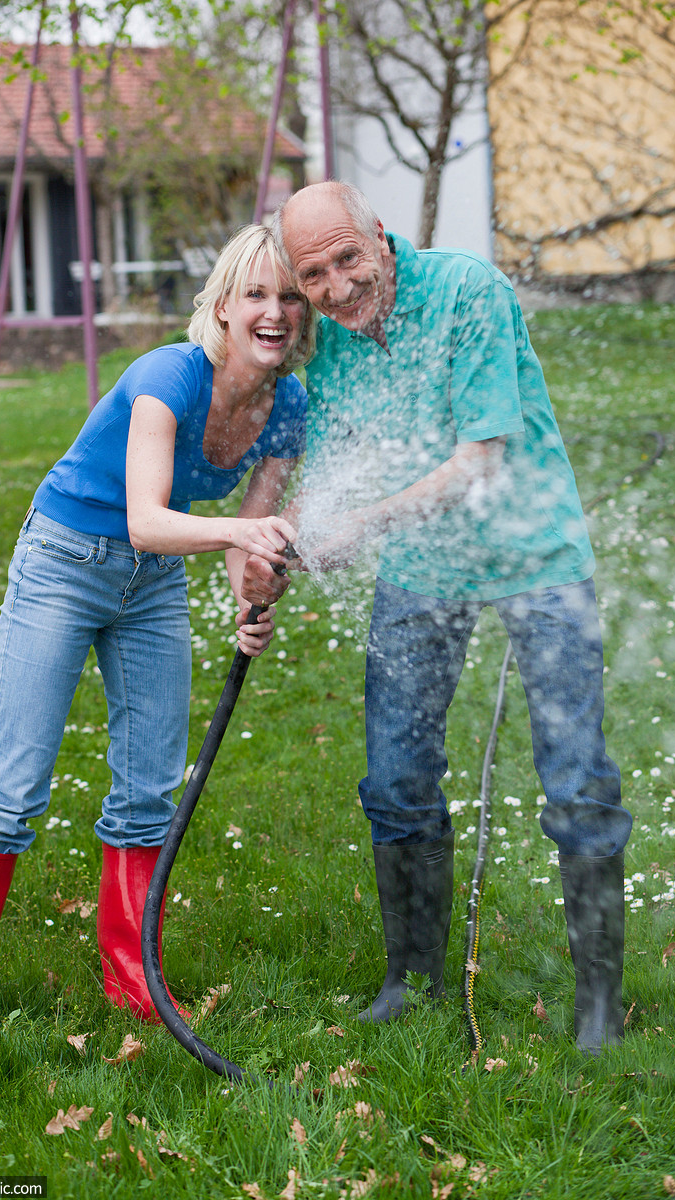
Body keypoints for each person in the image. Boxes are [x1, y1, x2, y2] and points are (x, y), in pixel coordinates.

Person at [243, 181, 631, 1055]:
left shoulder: (467, 292)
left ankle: (600, 1001)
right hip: (424, 567)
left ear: (380, 238)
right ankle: (409, 980)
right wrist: (280, 553)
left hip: (536, 556)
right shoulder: (330, 349)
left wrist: (360, 525)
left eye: (348, 258)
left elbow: (479, 464)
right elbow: (331, 473)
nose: (339, 286)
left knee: (576, 778)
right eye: (316, 275)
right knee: (397, 777)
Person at [0, 225, 315, 1057]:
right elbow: (147, 520)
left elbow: (249, 532)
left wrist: (253, 598)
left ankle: (128, 972)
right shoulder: (166, 377)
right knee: (17, 783)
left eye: (290, 296)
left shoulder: (289, 407)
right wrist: (238, 541)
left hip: (154, 584)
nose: (274, 311)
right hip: (67, 558)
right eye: (255, 293)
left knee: (148, 786)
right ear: (221, 305)